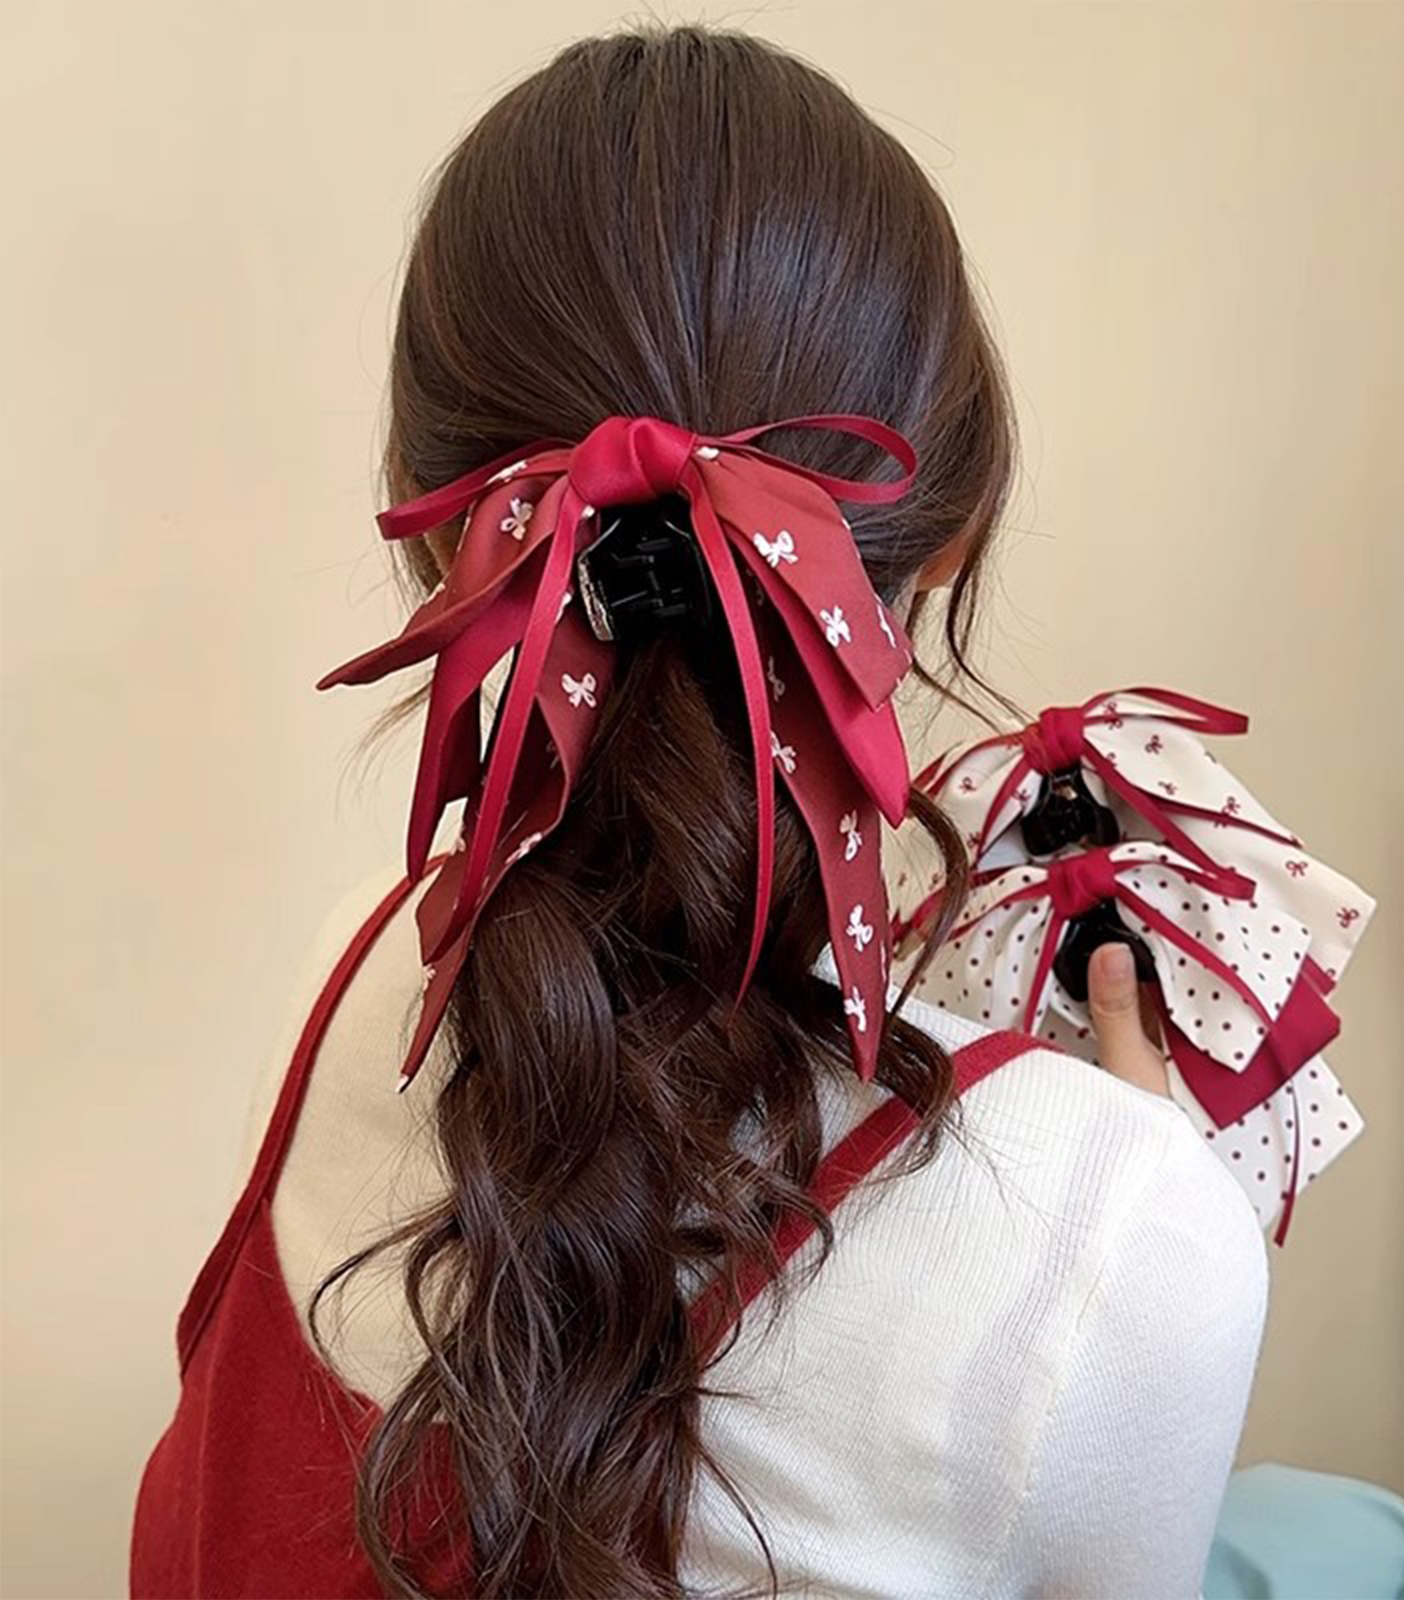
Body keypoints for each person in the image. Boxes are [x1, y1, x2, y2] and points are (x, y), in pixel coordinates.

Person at [130, 25, 1268, 1600]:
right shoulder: (1120, 1238)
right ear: (944, 540)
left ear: (438, 527)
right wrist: (1134, 1204)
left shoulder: (353, 979)